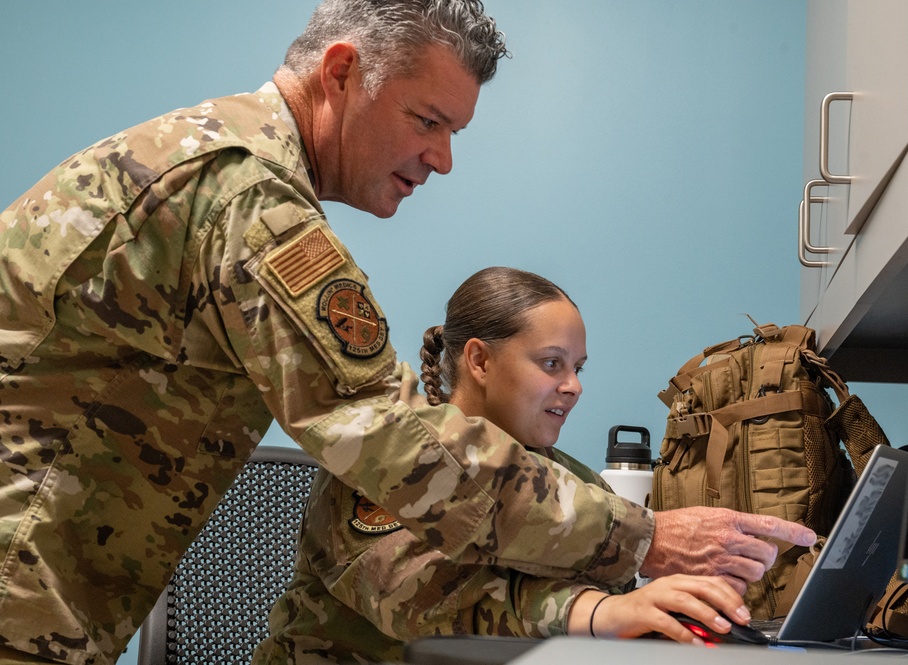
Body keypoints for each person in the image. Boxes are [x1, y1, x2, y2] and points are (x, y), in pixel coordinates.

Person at [0, 1, 814, 663]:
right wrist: (640, 540)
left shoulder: (220, 164)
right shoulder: (249, 198)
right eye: (428, 120)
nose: (443, 158)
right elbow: (395, 444)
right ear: (343, 72)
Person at [252, 266, 755, 663]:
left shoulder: (565, 480)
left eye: (577, 368)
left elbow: (612, 591)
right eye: (552, 363)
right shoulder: (393, 465)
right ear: (480, 361)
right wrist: (597, 611)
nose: (574, 386)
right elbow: (418, 602)